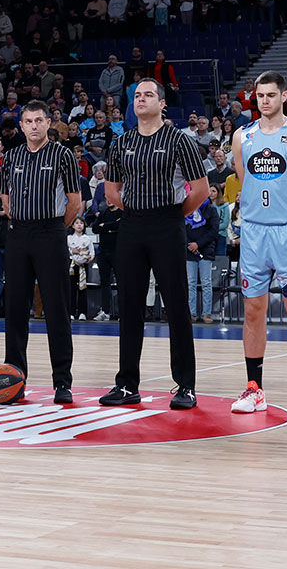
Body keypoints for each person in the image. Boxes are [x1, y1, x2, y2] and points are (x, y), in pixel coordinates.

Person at [99, 78, 210, 409]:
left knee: (177, 306)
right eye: (136, 95)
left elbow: (201, 189)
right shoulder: (121, 143)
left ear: (163, 103)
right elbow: (111, 192)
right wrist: (137, 213)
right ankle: (126, 384)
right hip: (132, 225)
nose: (141, 99)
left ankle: (185, 386)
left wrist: (174, 215)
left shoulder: (179, 141)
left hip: (168, 224)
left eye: (148, 94)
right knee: (130, 306)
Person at [230, 72, 287, 418]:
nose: (264, 100)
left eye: (271, 95)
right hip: (254, 231)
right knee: (252, 311)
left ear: (285, 96)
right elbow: (244, 178)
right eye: (260, 95)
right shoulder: (242, 136)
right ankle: (254, 389)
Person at [0, 100, 84, 401]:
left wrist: (57, 227)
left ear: (49, 123)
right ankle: (15, 378)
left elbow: (74, 201)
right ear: (21, 126)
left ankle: (62, 381)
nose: (33, 126)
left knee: (57, 309)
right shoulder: (12, 157)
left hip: (50, 233)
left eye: (39, 120)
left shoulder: (62, 155)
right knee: (15, 310)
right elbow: (4, 196)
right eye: (28, 121)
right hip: (19, 234)